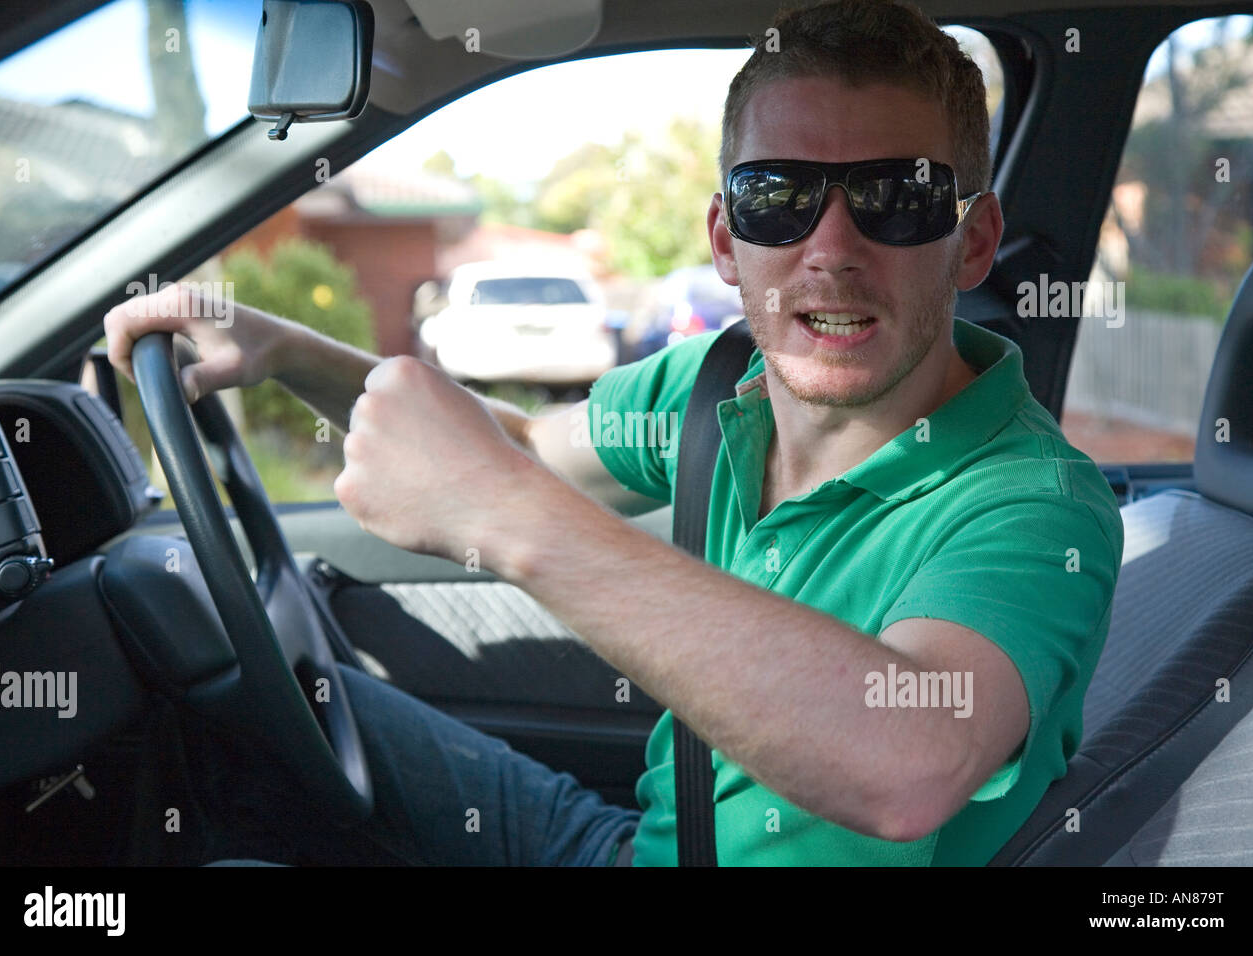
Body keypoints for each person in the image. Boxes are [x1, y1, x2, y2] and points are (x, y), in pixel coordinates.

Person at [103, 0, 1124, 866]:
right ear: (727, 241)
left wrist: (508, 515)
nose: (831, 250)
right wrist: (290, 354)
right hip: (635, 839)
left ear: (975, 237)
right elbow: (515, 448)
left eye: (896, 199)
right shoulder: (721, 379)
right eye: (779, 200)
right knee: (246, 703)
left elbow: (910, 762)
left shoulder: (1032, 502)